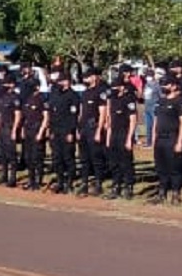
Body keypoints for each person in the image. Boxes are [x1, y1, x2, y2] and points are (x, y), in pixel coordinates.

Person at [150, 75, 182, 205]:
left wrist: (180, 142)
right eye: (162, 85)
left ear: (174, 86)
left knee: (175, 168)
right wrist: (153, 138)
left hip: (172, 137)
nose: (163, 87)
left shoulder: (180, 101)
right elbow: (156, 121)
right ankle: (162, 193)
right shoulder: (160, 101)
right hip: (160, 139)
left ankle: (176, 194)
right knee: (161, 168)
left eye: (166, 85)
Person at [78, 68, 109, 196]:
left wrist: (99, 130)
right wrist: (78, 128)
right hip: (84, 128)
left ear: (94, 77)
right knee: (84, 158)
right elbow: (81, 111)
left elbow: (103, 113)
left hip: (93, 127)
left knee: (96, 157)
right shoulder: (85, 93)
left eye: (88, 77)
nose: (85, 79)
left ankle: (98, 183)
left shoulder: (100, 92)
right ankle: (84, 183)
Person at [105, 77, 138, 200]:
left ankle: (128, 186)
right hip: (113, 134)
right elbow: (109, 120)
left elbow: (133, 120)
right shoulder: (112, 100)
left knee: (126, 162)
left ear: (122, 87)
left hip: (124, 134)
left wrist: (130, 138)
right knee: (114, 162)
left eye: (116, 87)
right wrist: (108, 137)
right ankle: (116, 186)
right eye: (112, 87)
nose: (113, 89)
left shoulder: (128, 100)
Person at [47, 71, 80, 194]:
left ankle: (70, 182)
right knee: (57, 158)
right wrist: (50, 130)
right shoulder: (56, 94)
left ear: (68, 81)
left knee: (68, 157)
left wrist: (71, 132)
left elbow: (73, 116)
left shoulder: (73, 96)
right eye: (59, 81)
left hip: (67, 131)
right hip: (56, 130)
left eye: (62, 81)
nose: (60, 83)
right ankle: (60, 181)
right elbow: (52, 113)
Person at [0, 72, 22, 187]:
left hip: (10, 128)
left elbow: (18, 115)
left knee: (11, 154)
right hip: (2, 127)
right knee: (2, 153)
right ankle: (4, 175)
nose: (4, 86)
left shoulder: (16, 98)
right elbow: (0, 113)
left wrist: (15, 130)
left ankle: (12, 178)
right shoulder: (3, 97)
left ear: (12, 85)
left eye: (6, 84)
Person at [20, 78, 48, 191]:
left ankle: (38, 181)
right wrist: (22, 129)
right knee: (28, 157)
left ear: (37, 86)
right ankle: (30, 180)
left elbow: (46, 117)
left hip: (37, 129)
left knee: (38, 157)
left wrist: (41, 131)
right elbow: (24, 116)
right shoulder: (28, 99)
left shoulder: (42, 99)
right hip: (28, 129)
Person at [142, 70, 160, 148]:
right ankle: (148, 142)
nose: (147, 77)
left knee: (154, 126)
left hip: (154, 107)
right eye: (146, 76)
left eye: (148, 75)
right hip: (147, 107)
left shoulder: (157, 85)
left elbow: (161, 96)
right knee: (148, 126)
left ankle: (154, 143)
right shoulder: (146, 85)